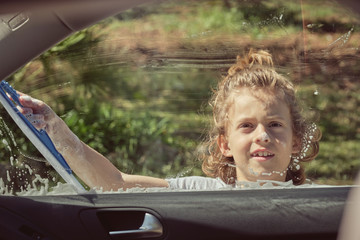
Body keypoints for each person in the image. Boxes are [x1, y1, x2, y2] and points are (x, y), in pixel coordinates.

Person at [17, 49, 321, 191]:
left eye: (275, 124)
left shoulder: (323, 202)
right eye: (247, 126)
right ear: (225, 144)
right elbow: (113, 183)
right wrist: (56, 129)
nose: (263, 135)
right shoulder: (201, 193)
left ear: (296, 141)